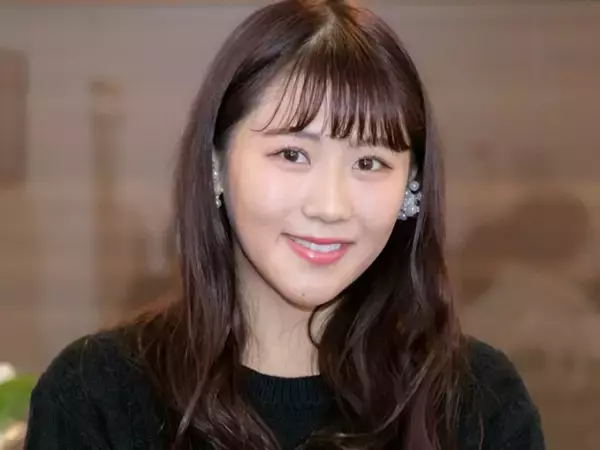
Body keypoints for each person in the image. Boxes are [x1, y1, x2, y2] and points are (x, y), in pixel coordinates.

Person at [24, 1, 545, 449]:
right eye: (292, 154)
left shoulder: (479, 406)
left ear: (412, 187)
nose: (331, 206)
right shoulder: (96, 400)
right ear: (216, 163)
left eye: (369, 163)